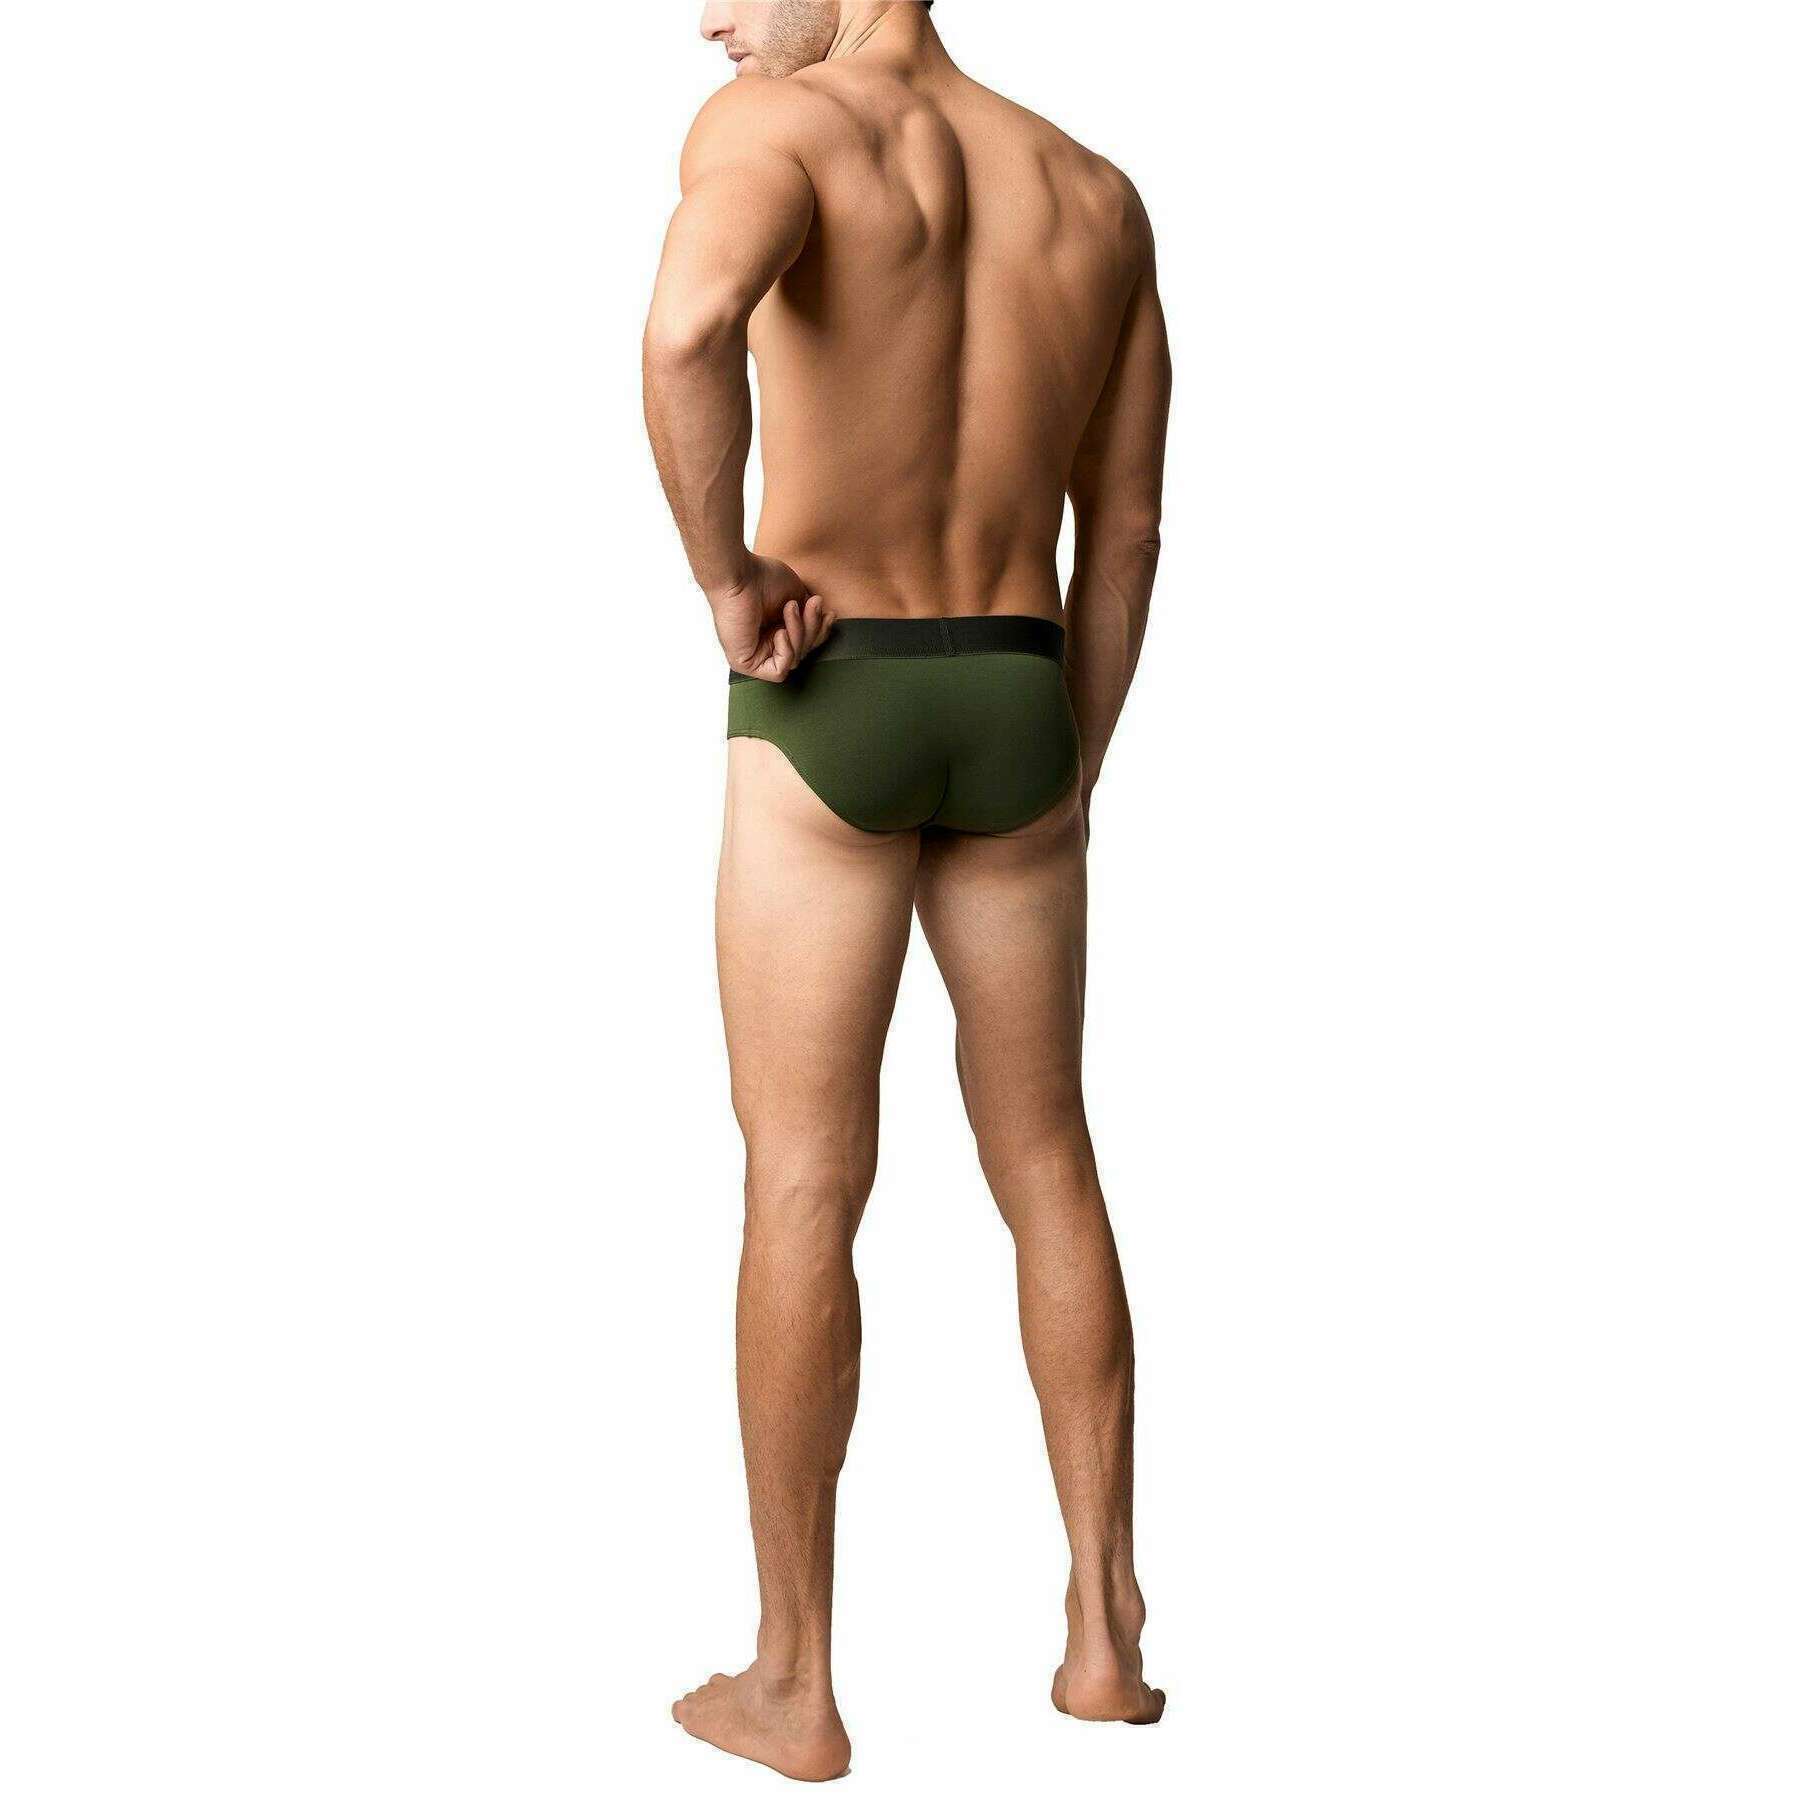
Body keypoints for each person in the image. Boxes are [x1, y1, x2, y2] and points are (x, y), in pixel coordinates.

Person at [643, 1, 1171, 1779]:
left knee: (804, 1178)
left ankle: (794, 1684)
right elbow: (1128, 529)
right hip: (1019, 686)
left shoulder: (782, 134)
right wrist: (1069, 763)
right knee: (1048, 1158)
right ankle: (1104, 1637)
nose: (714, 19)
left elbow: (687, 325)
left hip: (832, 686)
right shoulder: (1093, 193)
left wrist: (727, 583)